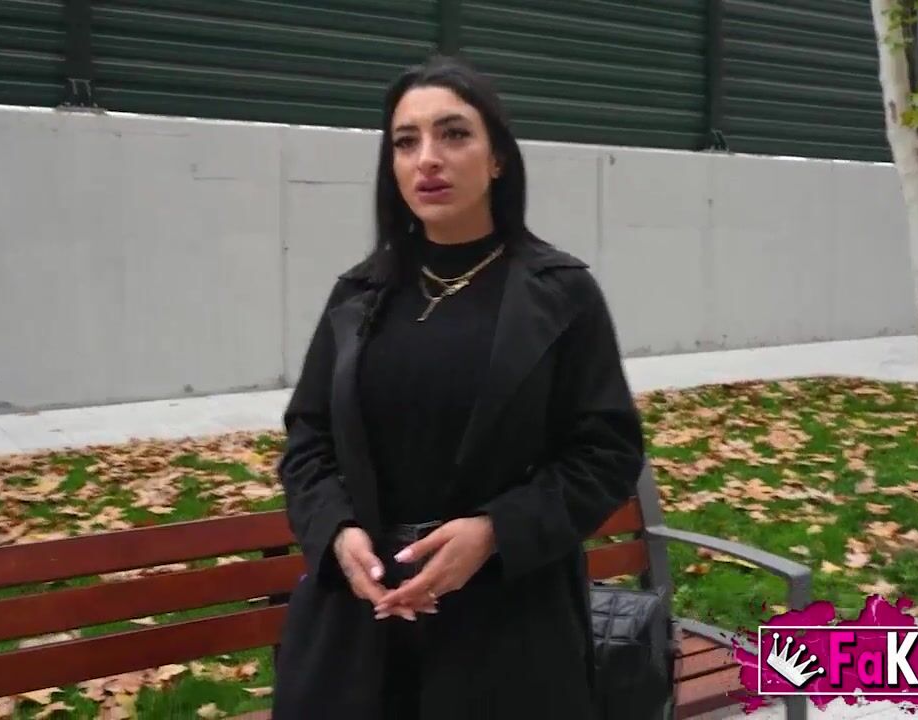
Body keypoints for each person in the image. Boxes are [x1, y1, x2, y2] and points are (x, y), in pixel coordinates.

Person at [271, 54, 646, 720]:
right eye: (406, 141)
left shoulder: (560, 295)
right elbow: (309, 437)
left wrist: (496, 531)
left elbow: (607, 451)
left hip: (507, 627)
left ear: (497, 158)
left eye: (454, 134)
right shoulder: (359, 295)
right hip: (361, 624)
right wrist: (335, 532)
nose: (428, 159)